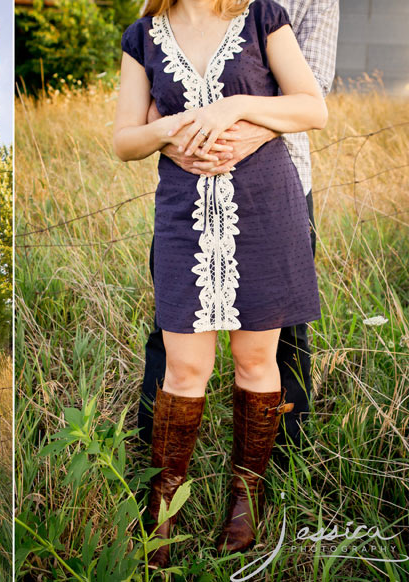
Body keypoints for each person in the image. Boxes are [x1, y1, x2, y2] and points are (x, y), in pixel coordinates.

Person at [113, 0, 329, 569]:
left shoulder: (262, 16)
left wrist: (238, 111)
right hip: (184, 212)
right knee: (184, 368)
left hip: (264, 207)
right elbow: (123, 141)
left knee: (257, 361)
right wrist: (167, 130)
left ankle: (245, 501)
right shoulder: (142, 34)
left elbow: (313, 107)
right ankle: (163, 515)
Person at [137, 0, 339, 455]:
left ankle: (265, 483)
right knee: (174, 346)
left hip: (273, 191)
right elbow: (148, 112)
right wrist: (177, 139)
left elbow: (312, 96)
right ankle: (157, 484)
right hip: (186, 206)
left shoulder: (278, 11)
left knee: (275, 344)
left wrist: (237, 115)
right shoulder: (150, 27)